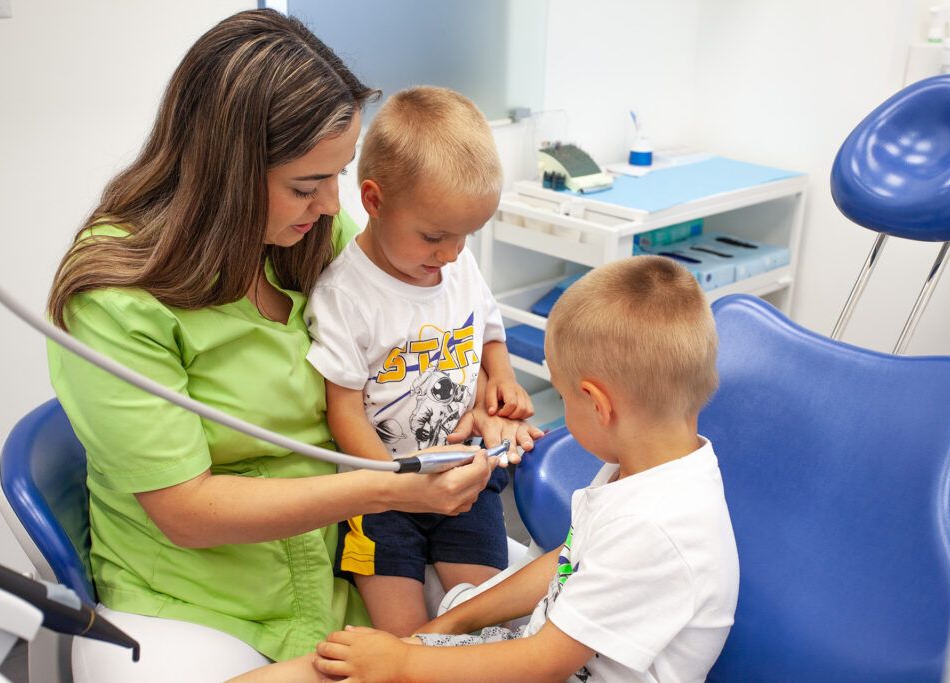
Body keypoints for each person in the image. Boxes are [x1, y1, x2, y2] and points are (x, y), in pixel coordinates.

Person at [46, 10, 522, 682]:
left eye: (338, 176)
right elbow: (187, 511)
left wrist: (473, 399)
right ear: (226, 172)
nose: (331, 205)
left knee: (534, 626)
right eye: (305, 185)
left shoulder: (309, 235)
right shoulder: (114, 299)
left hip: (344, 553)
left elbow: (418, 328)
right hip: (205, 599)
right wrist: (389, 489)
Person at [310, 254, 741, 682]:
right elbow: (570, 560)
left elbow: (544, 663)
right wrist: (448, 624)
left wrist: (402, 662)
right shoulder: (649, 467)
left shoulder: (652, 525)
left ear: (597, 404)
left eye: (564, 397)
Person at [304, 85, 543, 637]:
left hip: (464, 475)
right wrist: (396, 486)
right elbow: (343, 412)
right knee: (405, 640)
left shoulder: (456, 265)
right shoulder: (344, 295)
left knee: (484, 619)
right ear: (373, 201)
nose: (452, 255)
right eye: (434, 236)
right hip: (379, 498)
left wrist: (503, 378)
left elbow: (488, 331)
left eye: (465, 237)